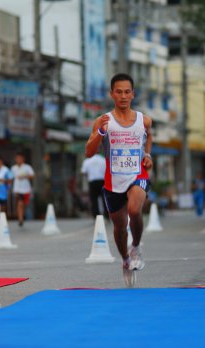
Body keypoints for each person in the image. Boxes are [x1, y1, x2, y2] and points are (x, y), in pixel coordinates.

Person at [85, 73, 153, 286]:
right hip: (113, 181)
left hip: (137, 174)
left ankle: (137, 247)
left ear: (133, 94)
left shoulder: (144, 119)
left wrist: (148, 155)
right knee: (120, 227)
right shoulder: (103, 120)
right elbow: (89, 152)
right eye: (119, 92)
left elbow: (148, 135)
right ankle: (125, 258)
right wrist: (100, 133)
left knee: (134, 210)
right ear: (112, 94)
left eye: (127, 92)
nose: (123, 96)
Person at [81, 152, 109, 220]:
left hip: (92, 182)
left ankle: (96, 216)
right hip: (102, 181)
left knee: (94, 200)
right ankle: (106, 215)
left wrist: (90, 174)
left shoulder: (87, 161)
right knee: (104, 199)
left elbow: (83, 172)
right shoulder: (103, 160)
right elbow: (107, 170)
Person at [11, 152, 34, 226]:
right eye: (17, 158)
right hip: (17, 189)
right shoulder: (13, 168)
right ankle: (20, 218)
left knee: (24, 204)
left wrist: (24, 177)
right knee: (20, 203)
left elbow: (32, 176)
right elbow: (11, 178)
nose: (19, 160)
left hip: (26, 189)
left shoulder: (27, 167)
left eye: (20, 158)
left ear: (23, 159)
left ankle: (22, 216)